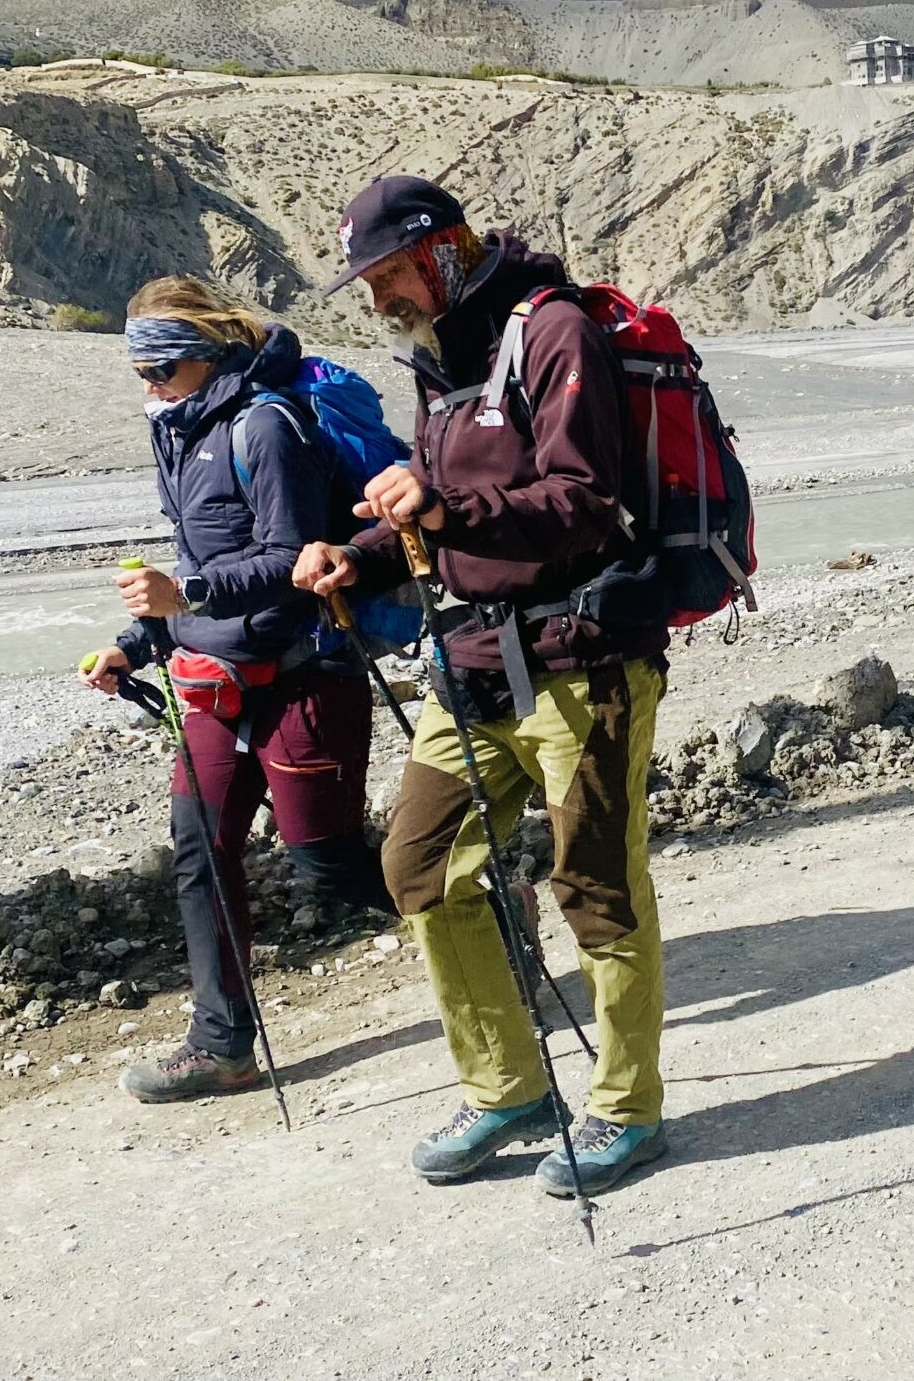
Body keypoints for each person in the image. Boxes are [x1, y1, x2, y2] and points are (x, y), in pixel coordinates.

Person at [291, 176, 672, 1198]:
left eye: (385, 276)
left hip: (581, 658)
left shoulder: (553, 334)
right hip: (468, 659)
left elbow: (581, 503)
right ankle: (504, 1084)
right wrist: (359, 557)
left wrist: (442, 504)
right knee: (419, 866)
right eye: (368, 284)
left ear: (442, 248)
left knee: (595, 886)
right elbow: (435, 510)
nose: (377, 300)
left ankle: (626, 1108)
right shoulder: (441, 357)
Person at [80, 276, 394, 1102]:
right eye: (141, 374)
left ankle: (495, 916)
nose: (150, 389)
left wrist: (182, 601)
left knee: (325, 861)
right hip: (218, 679)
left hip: (306, 672)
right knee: (201, 853)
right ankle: (221, 1046)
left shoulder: (267, 426)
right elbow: (197, 568)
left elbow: (293, 563)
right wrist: (135, 644)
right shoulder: (181, 433)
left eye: (164, 370)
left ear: (209, 355)